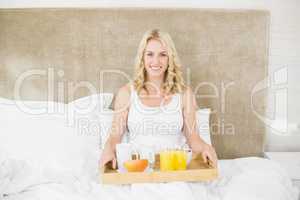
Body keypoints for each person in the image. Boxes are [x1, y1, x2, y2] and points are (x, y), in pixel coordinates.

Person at [99, 29, 218, 169]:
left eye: (162, 55)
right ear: (142, 57)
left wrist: (206, 148)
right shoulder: (126, 93)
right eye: (150, 54)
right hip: (140, 170)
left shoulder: (185, 94)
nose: (155, 61)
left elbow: (194, 139)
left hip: (174, 169)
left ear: (170, 59)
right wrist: (107, 150)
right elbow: (114, 138)